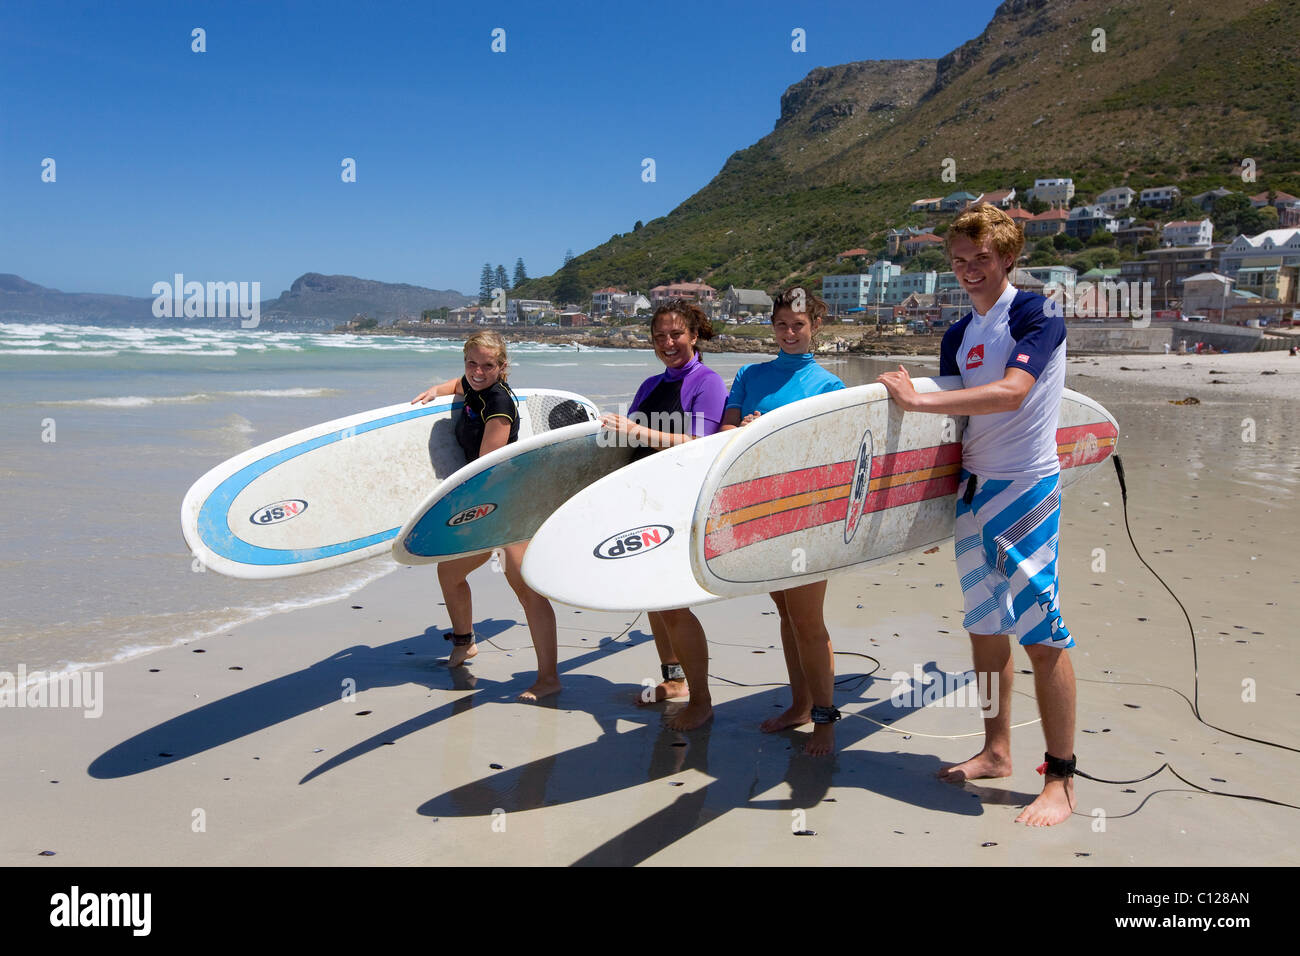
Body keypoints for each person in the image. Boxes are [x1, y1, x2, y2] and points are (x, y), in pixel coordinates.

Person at [877, 202, 1076, 826]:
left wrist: (914, 401)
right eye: (958, 261)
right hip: (972, 493)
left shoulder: (1037, 312)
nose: (968, 270)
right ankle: (996, 751)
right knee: (986, 631)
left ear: (1008, 258)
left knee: (1043, 637)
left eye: (980, 259)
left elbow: (1013, 393)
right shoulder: (957, 335)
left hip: (1027, 490)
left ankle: (1063, 779)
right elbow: (956, 424)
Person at [720, 287, 846, 755]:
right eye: (781, 325)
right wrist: (746, 431)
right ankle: (798, 706)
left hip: (808, 514)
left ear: (814, 327)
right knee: (786, 614)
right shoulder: (749, 375)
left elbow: (834, 454)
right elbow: (724, 436)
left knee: (809, 620)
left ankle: (826, 720)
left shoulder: (829, 387)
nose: (789, 333)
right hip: (761, 509)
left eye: (798, 325)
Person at [410, 331, 560, 701]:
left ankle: (549, 678)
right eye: (471, 363)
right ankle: (464, 643)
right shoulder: (473, 384)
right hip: (483, 501)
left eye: (487, 365)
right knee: (450, 571)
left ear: (502, 367)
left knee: (525, 586)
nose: (477, 371)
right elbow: (458, 385)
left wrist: (459, 510)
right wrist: (435, 390)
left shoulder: (498, 403)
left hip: (507, 501)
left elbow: (483, 466)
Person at [600, 299, 728, 730]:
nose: (668, 343)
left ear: (694, 335)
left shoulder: (706, 382)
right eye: (659, 336)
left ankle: (703, 699)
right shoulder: (652, 383)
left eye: (676, 334)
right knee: (652, 600)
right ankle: (675, 681)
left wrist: (637, 430)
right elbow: (627, 445)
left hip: (680, 505)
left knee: (673, 605)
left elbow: (700, 444)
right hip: (643, 502)